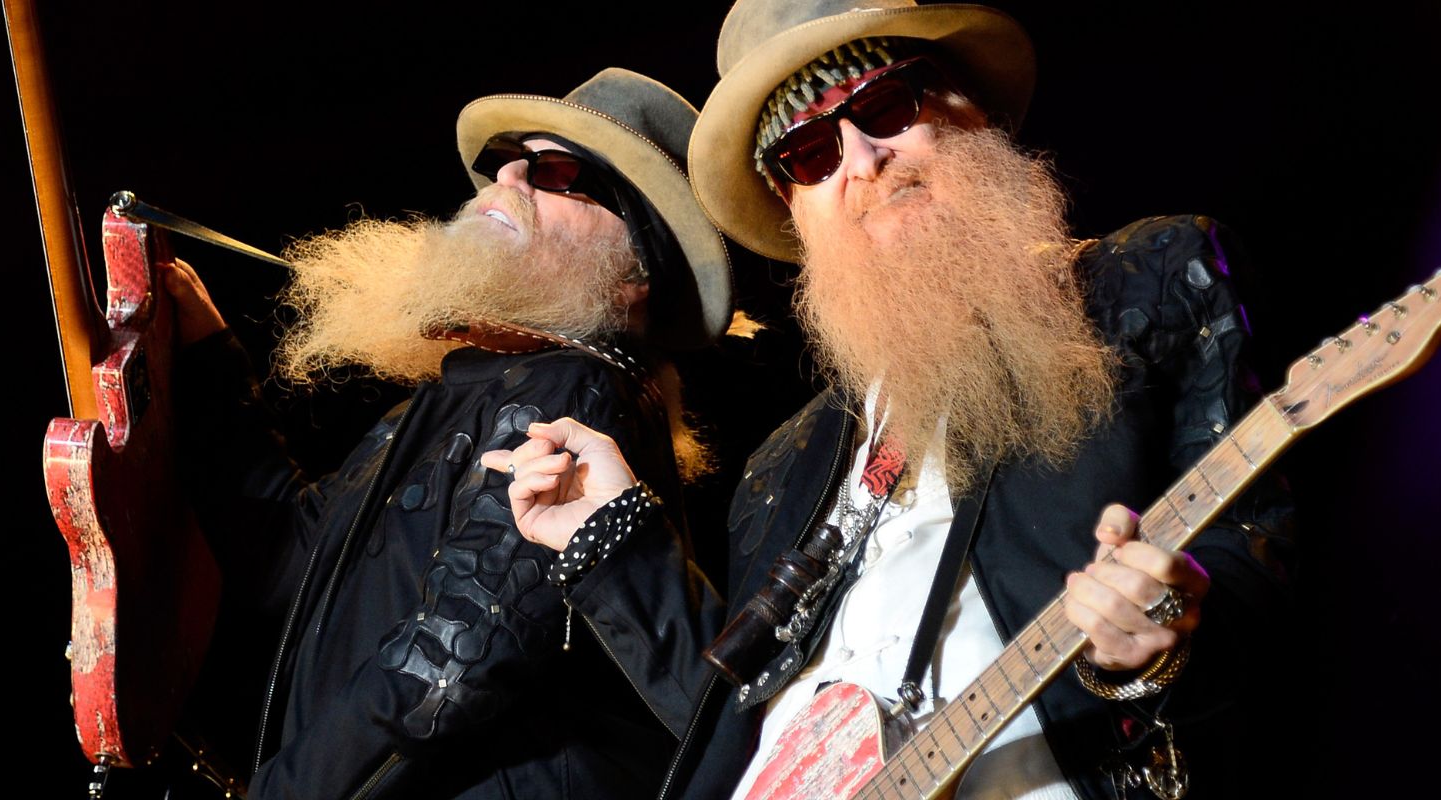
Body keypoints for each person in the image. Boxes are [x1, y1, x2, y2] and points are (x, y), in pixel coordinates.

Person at [485, 2, 1297, 798]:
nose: (863, 159)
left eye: (883, 106)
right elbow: (735, 730)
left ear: (972, 112)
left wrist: (1162, 645)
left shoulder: (1142, 280)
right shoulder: (787, 462)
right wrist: (610, 540)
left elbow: (1258, 546)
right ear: (795, 212)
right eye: (809, 155)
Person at [166, 68, 729, 799]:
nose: (511, 177)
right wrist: (206, 356)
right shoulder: (456, 393)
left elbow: (451, 660)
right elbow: (287, 559)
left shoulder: (580, 387)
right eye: (506, 160)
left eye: (560, 172)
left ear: (636, 269)